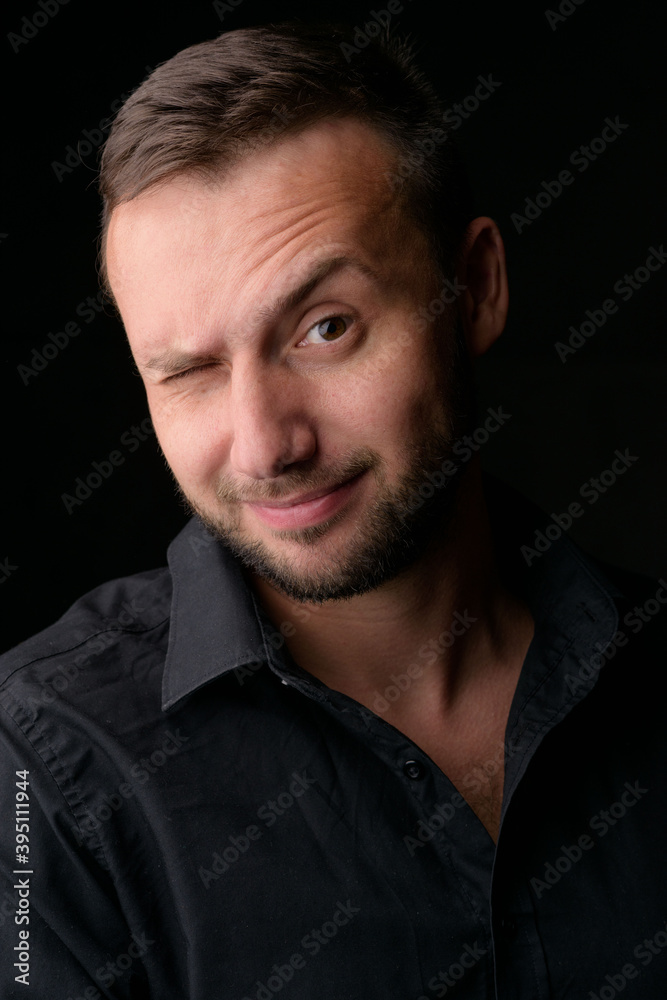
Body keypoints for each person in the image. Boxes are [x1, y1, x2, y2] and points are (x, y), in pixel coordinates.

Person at [1, 20, 665, 1000]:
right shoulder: (40, 776)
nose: (267, 443)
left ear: (474, 287)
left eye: (324, 328)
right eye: (188, 372)